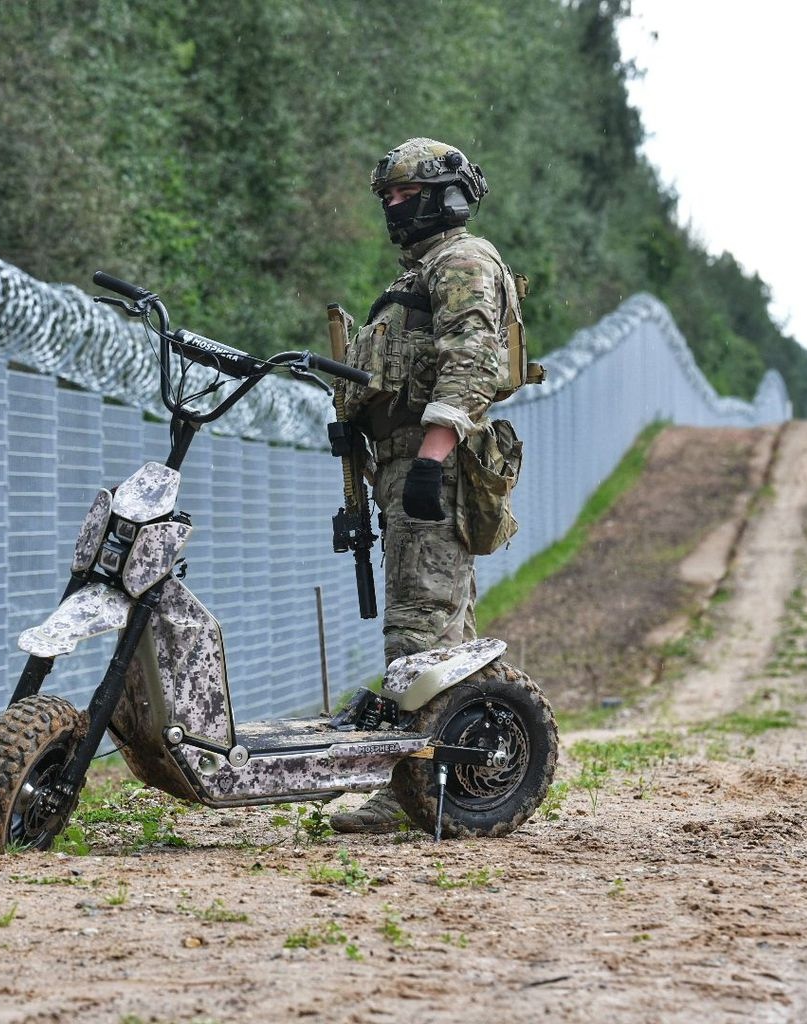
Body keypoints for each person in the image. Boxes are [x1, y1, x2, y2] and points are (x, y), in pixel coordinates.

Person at [327, 137, 518, 833]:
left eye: (406, 195)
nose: (394, 208)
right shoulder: (418, 276)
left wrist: (434, 457)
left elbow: (472, 359)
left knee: (418, 627)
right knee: (444, 629)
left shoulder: (462, 261)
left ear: (447, 197)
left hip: (431, 463)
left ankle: (409, 792)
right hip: (403, 462)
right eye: (388, 198)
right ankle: (457, 781)